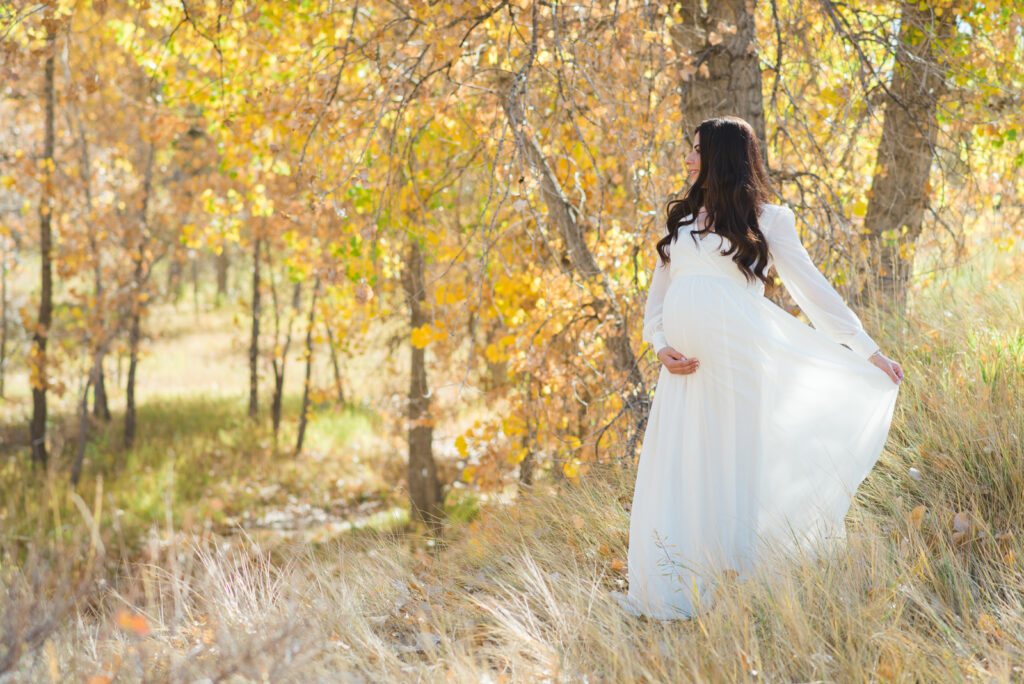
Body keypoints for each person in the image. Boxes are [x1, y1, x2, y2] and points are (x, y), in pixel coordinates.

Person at [614, 116, 903, 620]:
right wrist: (659, 344)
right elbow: (657, 299)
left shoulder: (768, 220)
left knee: (734, 462)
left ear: (720, 157)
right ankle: (679, 580)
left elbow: (811, 288)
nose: (688, 158)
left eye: (697, 150)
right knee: (685, 462)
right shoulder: (682, 220)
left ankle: (740, 584)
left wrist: (866, 348)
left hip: (738, 362)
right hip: (684, 372)